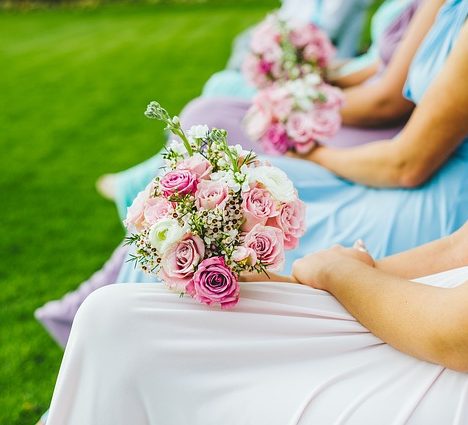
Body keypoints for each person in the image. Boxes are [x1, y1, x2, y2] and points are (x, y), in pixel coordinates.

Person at [46, 222, 468, 424]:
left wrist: (335, 274)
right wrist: (301, 281)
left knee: (133, 334)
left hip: (445, 359)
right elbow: (459, 245)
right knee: (117, 320)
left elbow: (456, 336)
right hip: (435, 308)